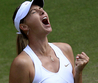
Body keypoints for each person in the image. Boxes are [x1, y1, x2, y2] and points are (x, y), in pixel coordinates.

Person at [9, 0, 89, 83]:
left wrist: (78, 72)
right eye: (34, 12)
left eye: (41, 8)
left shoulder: (65, 49)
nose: (42, 11)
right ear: (24, 26)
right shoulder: (22, 63)